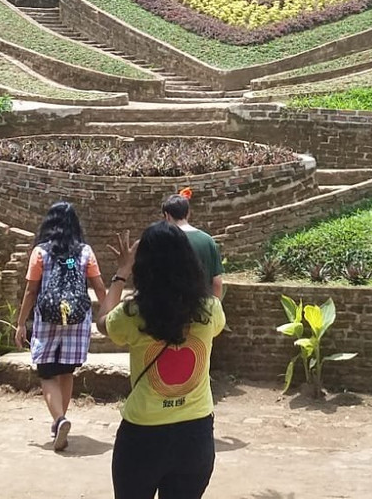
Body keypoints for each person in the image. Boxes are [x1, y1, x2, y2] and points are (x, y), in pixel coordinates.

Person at [97, 221, 225, 499]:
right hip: (195, 433)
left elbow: (102, 322)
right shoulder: (211, 309)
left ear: (143, 265)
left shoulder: (132, 313)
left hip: (142, 435)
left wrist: (121, 272)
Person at [15, 201, 107, 452]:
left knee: (46, 373)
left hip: (47, 319)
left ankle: (59, 420)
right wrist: (108, 311)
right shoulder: (85, 251)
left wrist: (21, 323)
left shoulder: (40, 252)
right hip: (77, 320)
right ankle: (60, 422)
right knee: (66, 372)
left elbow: (31, 291)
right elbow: (99, 287)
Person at [162, 189, 223, 299]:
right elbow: (217, 283)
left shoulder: (162, 241)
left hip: (171, 310)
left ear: (167, 215)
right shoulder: (208, 240)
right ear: (188, 213)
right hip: (204, 309)